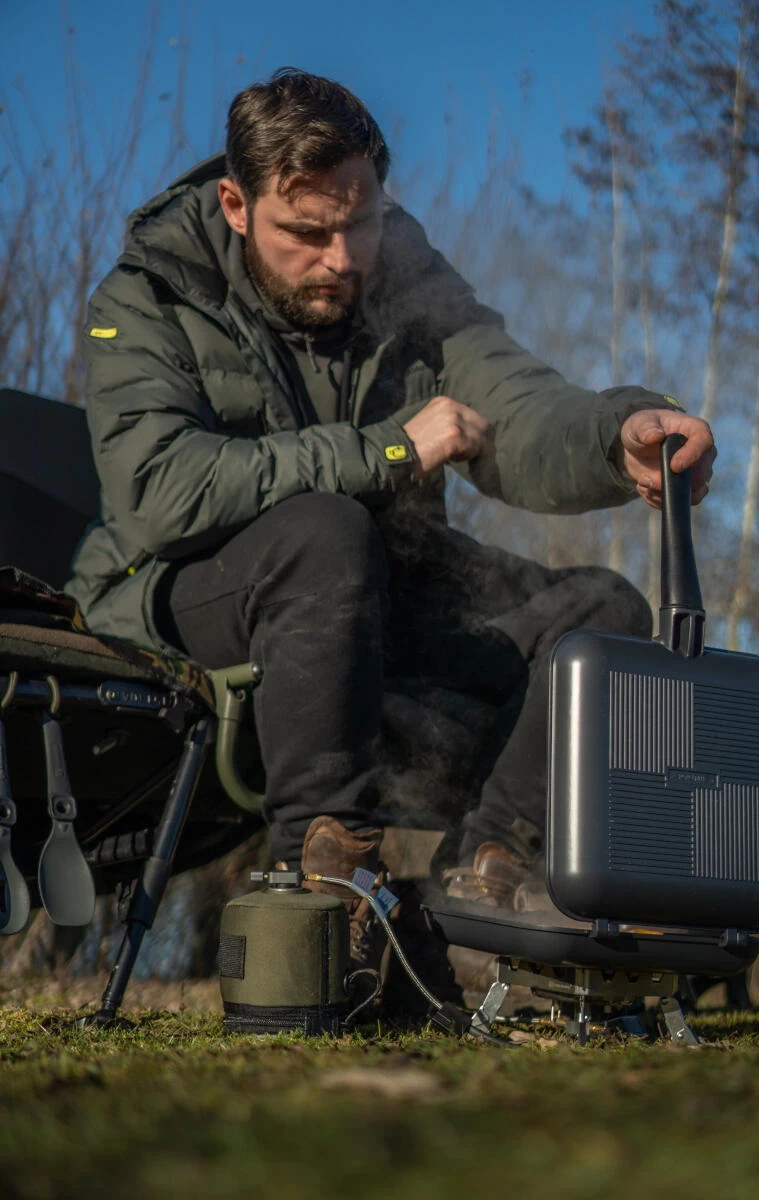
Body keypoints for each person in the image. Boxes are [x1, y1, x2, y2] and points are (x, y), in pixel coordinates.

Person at [66, 69, 715, 982]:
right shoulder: (149, 296)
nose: (342, 259)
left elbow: (513, 402)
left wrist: (620, 434)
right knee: (327, 530)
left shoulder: (405, 277)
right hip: (178, 596)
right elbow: (159, 491)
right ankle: (323, 888)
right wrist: (391, 451)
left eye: (360, 223)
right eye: (307, 233)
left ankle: (482, 891)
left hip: (374, 585)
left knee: (600, 616)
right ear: (236, 206)